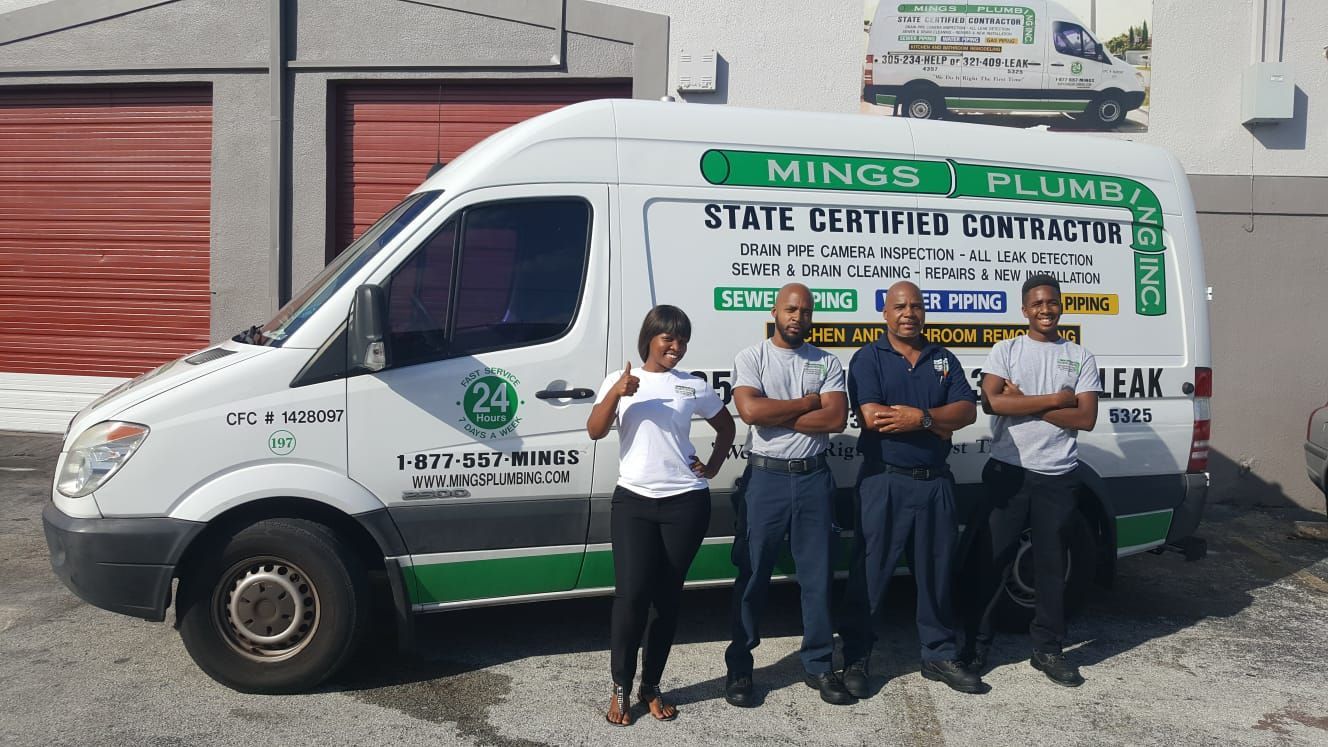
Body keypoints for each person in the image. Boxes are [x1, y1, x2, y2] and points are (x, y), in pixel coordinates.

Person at [587, 304, 736, 726]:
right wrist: (618, 393)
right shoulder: (620, 381)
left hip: (686, 503)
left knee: (666, 600)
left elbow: (726, 428)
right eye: (668, 337)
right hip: (633, 501)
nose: (676, 345)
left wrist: (713, 465)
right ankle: (620, 687)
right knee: (631, 596)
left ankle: (650, 686)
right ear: (650, 337)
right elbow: (595, 430)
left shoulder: (692, 386)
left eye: (682, 338)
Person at [837, 281, 984, 697]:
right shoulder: (869, 358)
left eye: (916, 306)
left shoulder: (942, 358)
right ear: (884, 313)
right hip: (885, 481)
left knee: (936, 574)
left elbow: (967, 411)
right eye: (900, 306)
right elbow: (873, 417)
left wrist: (921, 418)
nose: (909, 313)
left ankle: (938, 653)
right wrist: (939, 423)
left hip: (935, 483)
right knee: (869, 573)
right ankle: (856, 654)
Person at [723, 283, 853, 707]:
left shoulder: (828, 360)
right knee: (753, 576)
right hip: (766, 480)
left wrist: (779, 414)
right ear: (775, 311)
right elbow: (751, 412)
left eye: (806, 311)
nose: (798, 317)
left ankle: (818, 664)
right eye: (791, 309)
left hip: (814, 479)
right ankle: (741, 667)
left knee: (817, 580)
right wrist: (805, 403)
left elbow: (834, 418)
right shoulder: (752, 357)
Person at [968, 273, 1100, 687]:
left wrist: (1025, 403)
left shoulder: (1080, 357)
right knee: (992, 561)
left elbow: (1086, 417)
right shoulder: (1006, 350)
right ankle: (975, 647)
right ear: (1024, 310)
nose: (1046, 309)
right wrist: (1057, 399)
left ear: (1061, 306)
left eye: (1053, 302)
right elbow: (992, 400)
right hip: (1010, 472)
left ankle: (1047, 649)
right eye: (1038, 303)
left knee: (1050, 566)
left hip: (1058, 476)